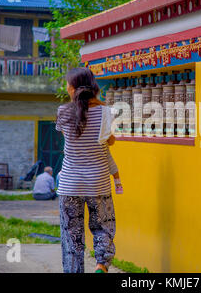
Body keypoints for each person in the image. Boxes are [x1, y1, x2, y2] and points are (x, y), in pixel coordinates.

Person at [55, 67, 121, 273]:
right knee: (103, 227)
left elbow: (70, 139)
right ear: (93, 87)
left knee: (71, 235)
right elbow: (110, 142)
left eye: (68, 84)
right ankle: (101, 265)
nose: (66, 87)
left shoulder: (63, 112)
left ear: (73, 88)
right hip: (98, 182)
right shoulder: (106, 112)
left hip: (69, 184)